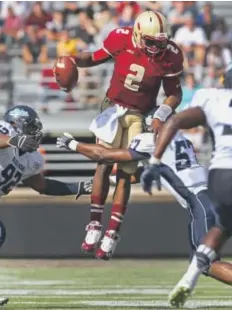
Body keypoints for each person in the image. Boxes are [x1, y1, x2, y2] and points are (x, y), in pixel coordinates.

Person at [56, 107, 232, 308]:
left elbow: (106, 156)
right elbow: (136, 175)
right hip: (209, 199)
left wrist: (74, 144)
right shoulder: (181, 139)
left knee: (206, 263)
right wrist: (105, 183)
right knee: (203, 262)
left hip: (201, 203)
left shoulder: (150, 141)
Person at [140, 59, 232, 310]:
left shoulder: (214, 98)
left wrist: (155, 161)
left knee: (221, 227)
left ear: (229, 81)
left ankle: (190, 277)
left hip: (218, 177)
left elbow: (175, 121)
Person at [54, 11, 183, 260]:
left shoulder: (171, 55)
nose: (157, 47)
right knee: (103, 164)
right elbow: (93, 57)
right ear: (137, 34)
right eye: (151, 42)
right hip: (112, 108)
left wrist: (161, 115)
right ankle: (94, 223)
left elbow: (174, 93)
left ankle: (112, 232)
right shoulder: (121, 38)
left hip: (139, 113)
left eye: (160, 42)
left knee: (125, 173)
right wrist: (72, 59)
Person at [0, 105, 92, 308]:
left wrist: (79, 187)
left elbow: (42, 186)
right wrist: (14, 141)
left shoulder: (32, 159)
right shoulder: (3, 129)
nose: (36, 132)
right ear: (19, 124)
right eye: (32, 127)